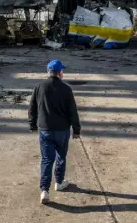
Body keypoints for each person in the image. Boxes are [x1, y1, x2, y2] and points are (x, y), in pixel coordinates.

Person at [28, 59, 81, 204]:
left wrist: (32, 124)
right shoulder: (66, 89)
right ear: (59, 73)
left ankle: (44, 190)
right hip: (62, 130)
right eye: (62, 71)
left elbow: (32, 108)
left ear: (48, 72)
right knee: (61, 156)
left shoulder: (39, 86)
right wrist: (76, 130)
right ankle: (59, 182)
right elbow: (73, 112)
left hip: (45, 129)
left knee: (46, 159)